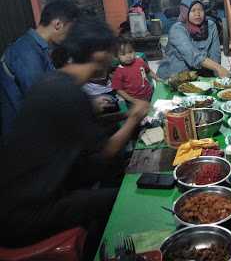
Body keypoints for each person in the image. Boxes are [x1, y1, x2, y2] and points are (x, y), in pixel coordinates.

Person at [0, 17, 149, 260]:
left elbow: (83, 129)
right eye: (111, 52)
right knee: (124, 198)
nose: (113, 58)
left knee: (117, 172)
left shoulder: (54, 81)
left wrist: (123, 115)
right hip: (25, 216)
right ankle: (107, 253)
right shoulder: (67, 92)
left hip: (20, 199)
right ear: (99, 54)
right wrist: (134, 118)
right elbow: (105, 151)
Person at [0, 0, 79, 136]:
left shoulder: (38, 48)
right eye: (70, 30)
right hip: (22, 136)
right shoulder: (27, 52)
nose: (70, 36)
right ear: (58, 24)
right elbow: (41, 100)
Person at [157, 0, 230, 79]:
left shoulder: (210, 26)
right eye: (193, 10)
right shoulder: (177, 29)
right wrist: (218, 68)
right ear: (185, 12)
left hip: (197, 76)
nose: (197, 14)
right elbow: (193, 56)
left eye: (200, 10)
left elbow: (215, 54)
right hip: (174, 77)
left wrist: (218, 77)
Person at [112, 39, 157, 103]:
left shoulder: (140, 61)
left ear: (134, 51)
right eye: (123, 54)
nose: (128, 56)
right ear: (117, 57)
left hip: (149, 93)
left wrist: (157, 78)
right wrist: (132, 100)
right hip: (135, 100)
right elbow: (118, 90)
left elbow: (148, 71)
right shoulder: (119, 72)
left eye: (130, 52)